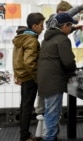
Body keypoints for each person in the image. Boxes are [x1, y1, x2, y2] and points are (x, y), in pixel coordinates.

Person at [35, 0, 83, 116]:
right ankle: (48, 131)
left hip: (48, 76)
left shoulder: (53, 33)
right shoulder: (54, 20)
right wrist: (82, 6)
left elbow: (63, 24)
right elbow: (67, 16)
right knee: (49, 111)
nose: (66, 17)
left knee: (49, 110)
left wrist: (73, 28)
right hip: (52, 78)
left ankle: (46, 128)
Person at [37, 13, 77, 141]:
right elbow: (68, 61)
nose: (71, 29)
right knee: (52, 114)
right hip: (54, 81)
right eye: (70, 26)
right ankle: (49, 138)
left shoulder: (47, 38)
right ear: (65, 26)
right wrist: (72, 72)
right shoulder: (63, 39)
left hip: (44, 79)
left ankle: (51, 137)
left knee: (49, 112)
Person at [12, 12, 45, 141]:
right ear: (34, 26)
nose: (43, 28)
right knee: (27, 107)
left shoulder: (22, 37)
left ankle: (24, 134)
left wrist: (17, 74)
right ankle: (24, 136)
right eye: (41, 25)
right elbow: (28, 62)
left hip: (23, 76)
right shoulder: (31, 40)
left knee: (24, 106)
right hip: (29, 78)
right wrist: (37, 77)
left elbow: (17, 59)